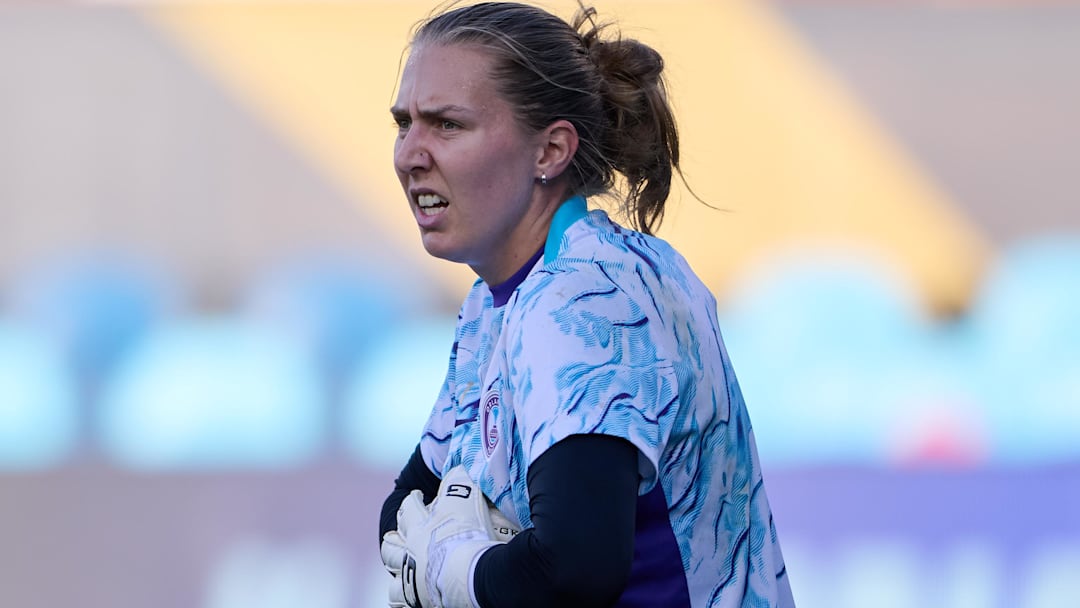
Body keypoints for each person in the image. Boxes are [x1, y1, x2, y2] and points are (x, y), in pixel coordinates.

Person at [378, 2, 795, 607]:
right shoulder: (503, 299)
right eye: (403, 124)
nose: (410, 154)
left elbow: (578, 564)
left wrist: (462, 571)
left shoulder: (584, 297)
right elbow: (405, 511)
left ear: (550, 151)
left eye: (447, 125)